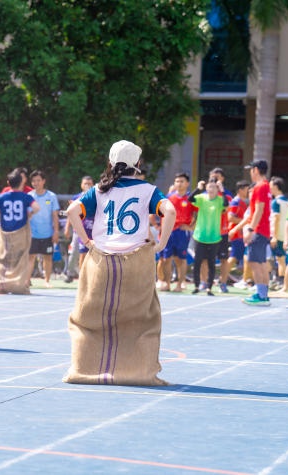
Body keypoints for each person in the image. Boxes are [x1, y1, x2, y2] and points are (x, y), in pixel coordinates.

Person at [63, 140, 176, 386]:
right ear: (137, 164)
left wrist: (87, 240)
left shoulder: (100, 190)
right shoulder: (148, 190)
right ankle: (140, 372)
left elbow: (72, 211)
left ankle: (83, 369)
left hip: (102, 261)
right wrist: (162, 243)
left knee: (89, 319)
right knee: (144, 320)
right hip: (136, 261)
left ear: (111, 162)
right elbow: (170, 211)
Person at [0, 169, 40, 294]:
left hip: (5, 231)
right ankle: (18, 285)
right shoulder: (26, 196)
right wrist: (29, 215)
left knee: (2, 257)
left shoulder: (3, 196)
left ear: (8, 183)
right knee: (20, 258)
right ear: (21, 182)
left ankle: (0, 283)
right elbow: (37, 207)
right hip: (20, 230)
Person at [190, 178, 227, 296]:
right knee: (197, 262)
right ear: (206, 188)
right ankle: (197, 285)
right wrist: (198, 189)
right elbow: (190, 199)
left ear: (217, 189)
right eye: (209, 187)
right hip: (200, 236)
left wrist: (223, 190)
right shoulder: (201, 198)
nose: (211, 189)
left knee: (211, 263)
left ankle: (209, 288)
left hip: (214, 237)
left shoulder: (220, 200)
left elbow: (226, 204)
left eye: (214, 187)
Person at [242, 159, 272, 306]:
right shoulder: (266, 186)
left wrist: (250, 229)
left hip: (259, 230)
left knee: (254, 263)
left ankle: (261, 295)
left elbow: (258, 210)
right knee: (261, 262)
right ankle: (263, 294)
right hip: (264, 230)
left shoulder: (260, 187)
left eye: (251, 169)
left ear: (255, 170)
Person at [157, 172, 194, 292]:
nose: (179, 183)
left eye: (182, 181)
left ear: (187, 183)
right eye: (177, 181)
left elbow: (198, 214)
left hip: (182, 233)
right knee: (166, 259)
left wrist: (191, 227)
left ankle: (179, 284)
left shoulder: (191, 198)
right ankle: (167, 283)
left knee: (181, 259)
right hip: (169, 232)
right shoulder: (168, 197)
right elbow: (160, 212)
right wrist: (160, 228)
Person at [27, 170, 60, 288]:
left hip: (47, 233)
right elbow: (27, 215)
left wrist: (56, 231)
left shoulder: (51, 196)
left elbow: (55, 215)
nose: (36, 183)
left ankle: (47, 281)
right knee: (31, 257)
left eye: (38, 180)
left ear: (43, 181)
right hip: (32, 233)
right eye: (34, 181)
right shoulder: (29, 196)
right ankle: (27, 280)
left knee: (48, 257)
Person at [205, 168, 234, 292]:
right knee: (205, 258)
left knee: (223, 259)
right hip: (207, 231)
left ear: (222, 179)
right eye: (212, 178)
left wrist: (220, 191)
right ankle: (205, 282)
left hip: (222, 231)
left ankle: (223, 282)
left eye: (216, 178)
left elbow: (227, 209)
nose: (214, 180)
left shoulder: (226, 194)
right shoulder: (204, 195)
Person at [64, 175, 95, 283]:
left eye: (89, 183)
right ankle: (72, 274)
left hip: (92, 229)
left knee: (92, 254)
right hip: (79, 229)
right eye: (85, 183)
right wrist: (67, 228)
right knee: (77, 253)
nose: (87, 185)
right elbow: (71, 214)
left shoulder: (96, 196)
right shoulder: (76, 198)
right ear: (81, 185)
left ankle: (90, 276)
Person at [269, 177, 288, 290]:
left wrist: (274, 236)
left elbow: (276, 219)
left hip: (277, 235)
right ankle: (279, 280)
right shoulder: (286, 201)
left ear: (276, 187)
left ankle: (281, 282)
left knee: (280, 259)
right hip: (284, 234)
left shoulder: (276, 202)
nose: (270, 188)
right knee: (281, 259)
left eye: (271, 186)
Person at [227, 180, 250, 284]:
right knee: (234, 256)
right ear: (240, 190)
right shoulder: (235, 202)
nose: (248, 191)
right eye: (246, 189)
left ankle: (245, 278)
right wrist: (245, 222)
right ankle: (223, 277)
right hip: (237, 234)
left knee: (240, 256)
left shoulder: (242, 202)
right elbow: (230, 217)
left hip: (241, 233)